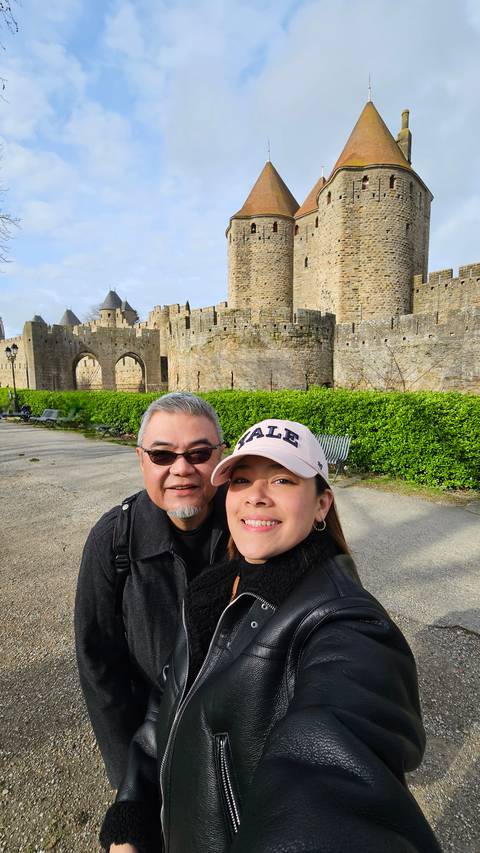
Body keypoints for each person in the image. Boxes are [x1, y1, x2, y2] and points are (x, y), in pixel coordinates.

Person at [100, 419, 441, 853]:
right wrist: (133, 814)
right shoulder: (213, 591)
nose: (256, 495)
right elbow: (165, 707)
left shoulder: (345, 624)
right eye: (242, 480)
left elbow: (332, 770)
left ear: (322, 504)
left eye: (282, 479)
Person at [74, 392, 228, 789]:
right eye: (162, 455)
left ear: (220, 457)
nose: (182, 469)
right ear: (141, 458)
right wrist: (129, 779)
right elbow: (99, 666)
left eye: (198, 454)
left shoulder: (250, 526)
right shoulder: (113, 540)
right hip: (157, 740)